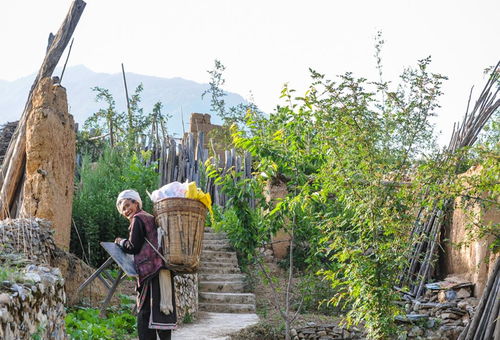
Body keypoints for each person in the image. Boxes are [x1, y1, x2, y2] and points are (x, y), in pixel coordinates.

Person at [114, 189, 176, 340]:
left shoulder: (138, 219)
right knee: (162, 313)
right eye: (123, 209)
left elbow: (133, 246)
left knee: (144, 315)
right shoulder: (150, 217)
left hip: (150, 272)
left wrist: (120, 241)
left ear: (136, 203)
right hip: (163, 270)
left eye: (128, 205)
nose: (126, 211)